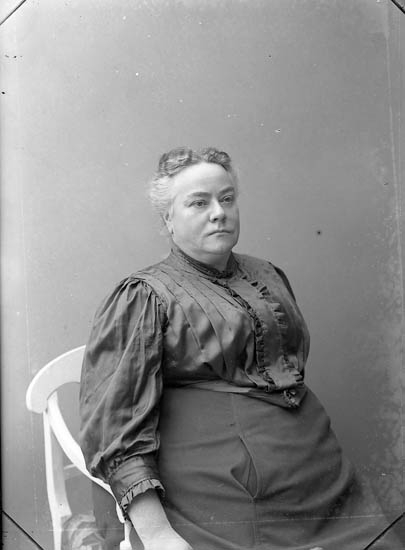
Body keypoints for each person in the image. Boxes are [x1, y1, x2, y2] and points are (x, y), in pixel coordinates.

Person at [79, 147, 401, 550]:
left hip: (320, 478)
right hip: (222, 493)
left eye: (227, 198)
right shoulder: (143, 295)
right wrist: (158, 533)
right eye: (199, 203)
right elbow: (116, 428)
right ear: (167, 219)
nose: (219, 213)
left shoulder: (267, 274)